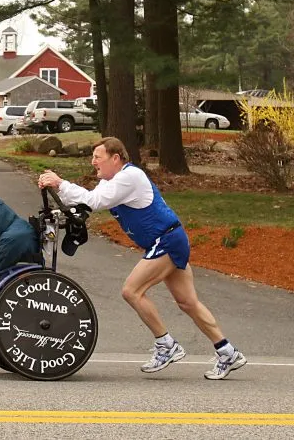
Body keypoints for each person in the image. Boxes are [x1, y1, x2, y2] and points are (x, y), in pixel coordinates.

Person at [38, 136, 246, 379]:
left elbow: (94, 201)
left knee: (131, 291)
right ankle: (227, 352)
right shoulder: (111, 180)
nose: (93, 161)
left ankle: (166, 344)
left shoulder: (129, 177)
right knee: (188, 303)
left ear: (115, 158)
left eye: (98, 157)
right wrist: (56, 190)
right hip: (168, 241)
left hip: (167, 241)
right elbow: (88, 200)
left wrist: (60, 182)